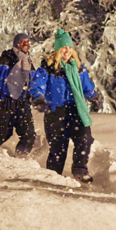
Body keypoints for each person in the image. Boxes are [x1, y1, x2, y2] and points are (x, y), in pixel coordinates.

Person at [29, 29, 101, 183]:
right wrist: (38, 97)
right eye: (63, 48)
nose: (67, 51)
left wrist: (93, 96)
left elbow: (85, 85)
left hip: (76, 109)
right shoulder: (48, 68)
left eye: (69, 47)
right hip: (55, 111)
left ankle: (80, 170)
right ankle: (53, 177)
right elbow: (37, 84)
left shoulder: (78, 67)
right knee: (58, 147)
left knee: (85, 138)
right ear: (57, 50)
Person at [0, 32, 37, 156]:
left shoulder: (29, 64)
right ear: (16, 44)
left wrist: (36, 96)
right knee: (2, 134)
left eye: (28, 42)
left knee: (28, 134)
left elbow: (34, 84)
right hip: (4, 103)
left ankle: (21, 157)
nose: (26, 44)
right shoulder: (2, 61)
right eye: (23, 42)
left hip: (22, 103)